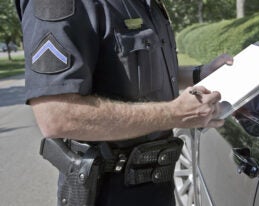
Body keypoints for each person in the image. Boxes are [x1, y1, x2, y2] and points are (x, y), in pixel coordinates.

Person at [15, 0, 233, 205]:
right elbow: (56, 116)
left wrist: (198, 74)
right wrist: (175, 114)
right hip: (108, 191)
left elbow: (135, 73)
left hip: (157, 185)